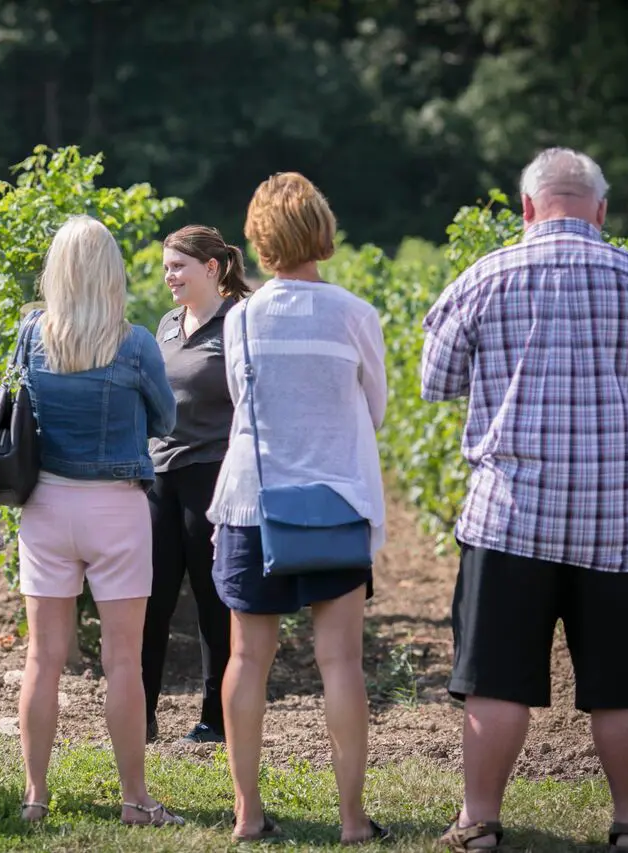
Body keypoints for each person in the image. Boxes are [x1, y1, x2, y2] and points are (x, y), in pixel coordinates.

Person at [421, 148, 628, 852]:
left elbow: (437, 378)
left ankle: (481, 821)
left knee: (495, 678)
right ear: (601, 210)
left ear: (526, 207)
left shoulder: (483, 277)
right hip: (620, 521)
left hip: (510, 516)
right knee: (622, 683)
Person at [207, 172, 389, 844]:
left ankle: (247, 813)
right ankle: (350, 819)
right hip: (335, 505)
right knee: (339, 661)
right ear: (322, 230)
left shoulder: (243, 318)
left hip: (253, 507)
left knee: (246, 660)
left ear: (258, 241)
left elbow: (241, 399)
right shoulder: (353, 312)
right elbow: (375, 407)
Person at [15, 215, 181, 826]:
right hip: (116, 507)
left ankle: (35, 795)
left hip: (47, 505)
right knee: (122, 661)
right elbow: (166, 422)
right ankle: (135, 798)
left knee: (43, 658)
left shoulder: (31, 332)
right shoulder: (135, 341)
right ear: (111, 272)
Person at [141, 225, 248, 745]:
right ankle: (140, 713)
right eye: (166, 266)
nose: (169, 276)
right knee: (151, 597)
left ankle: (214, 718)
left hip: (212, 474)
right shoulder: (165, 324)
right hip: (159, 475)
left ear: (212, 268)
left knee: (212, 599)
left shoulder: (237, 324)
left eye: (178, 266)